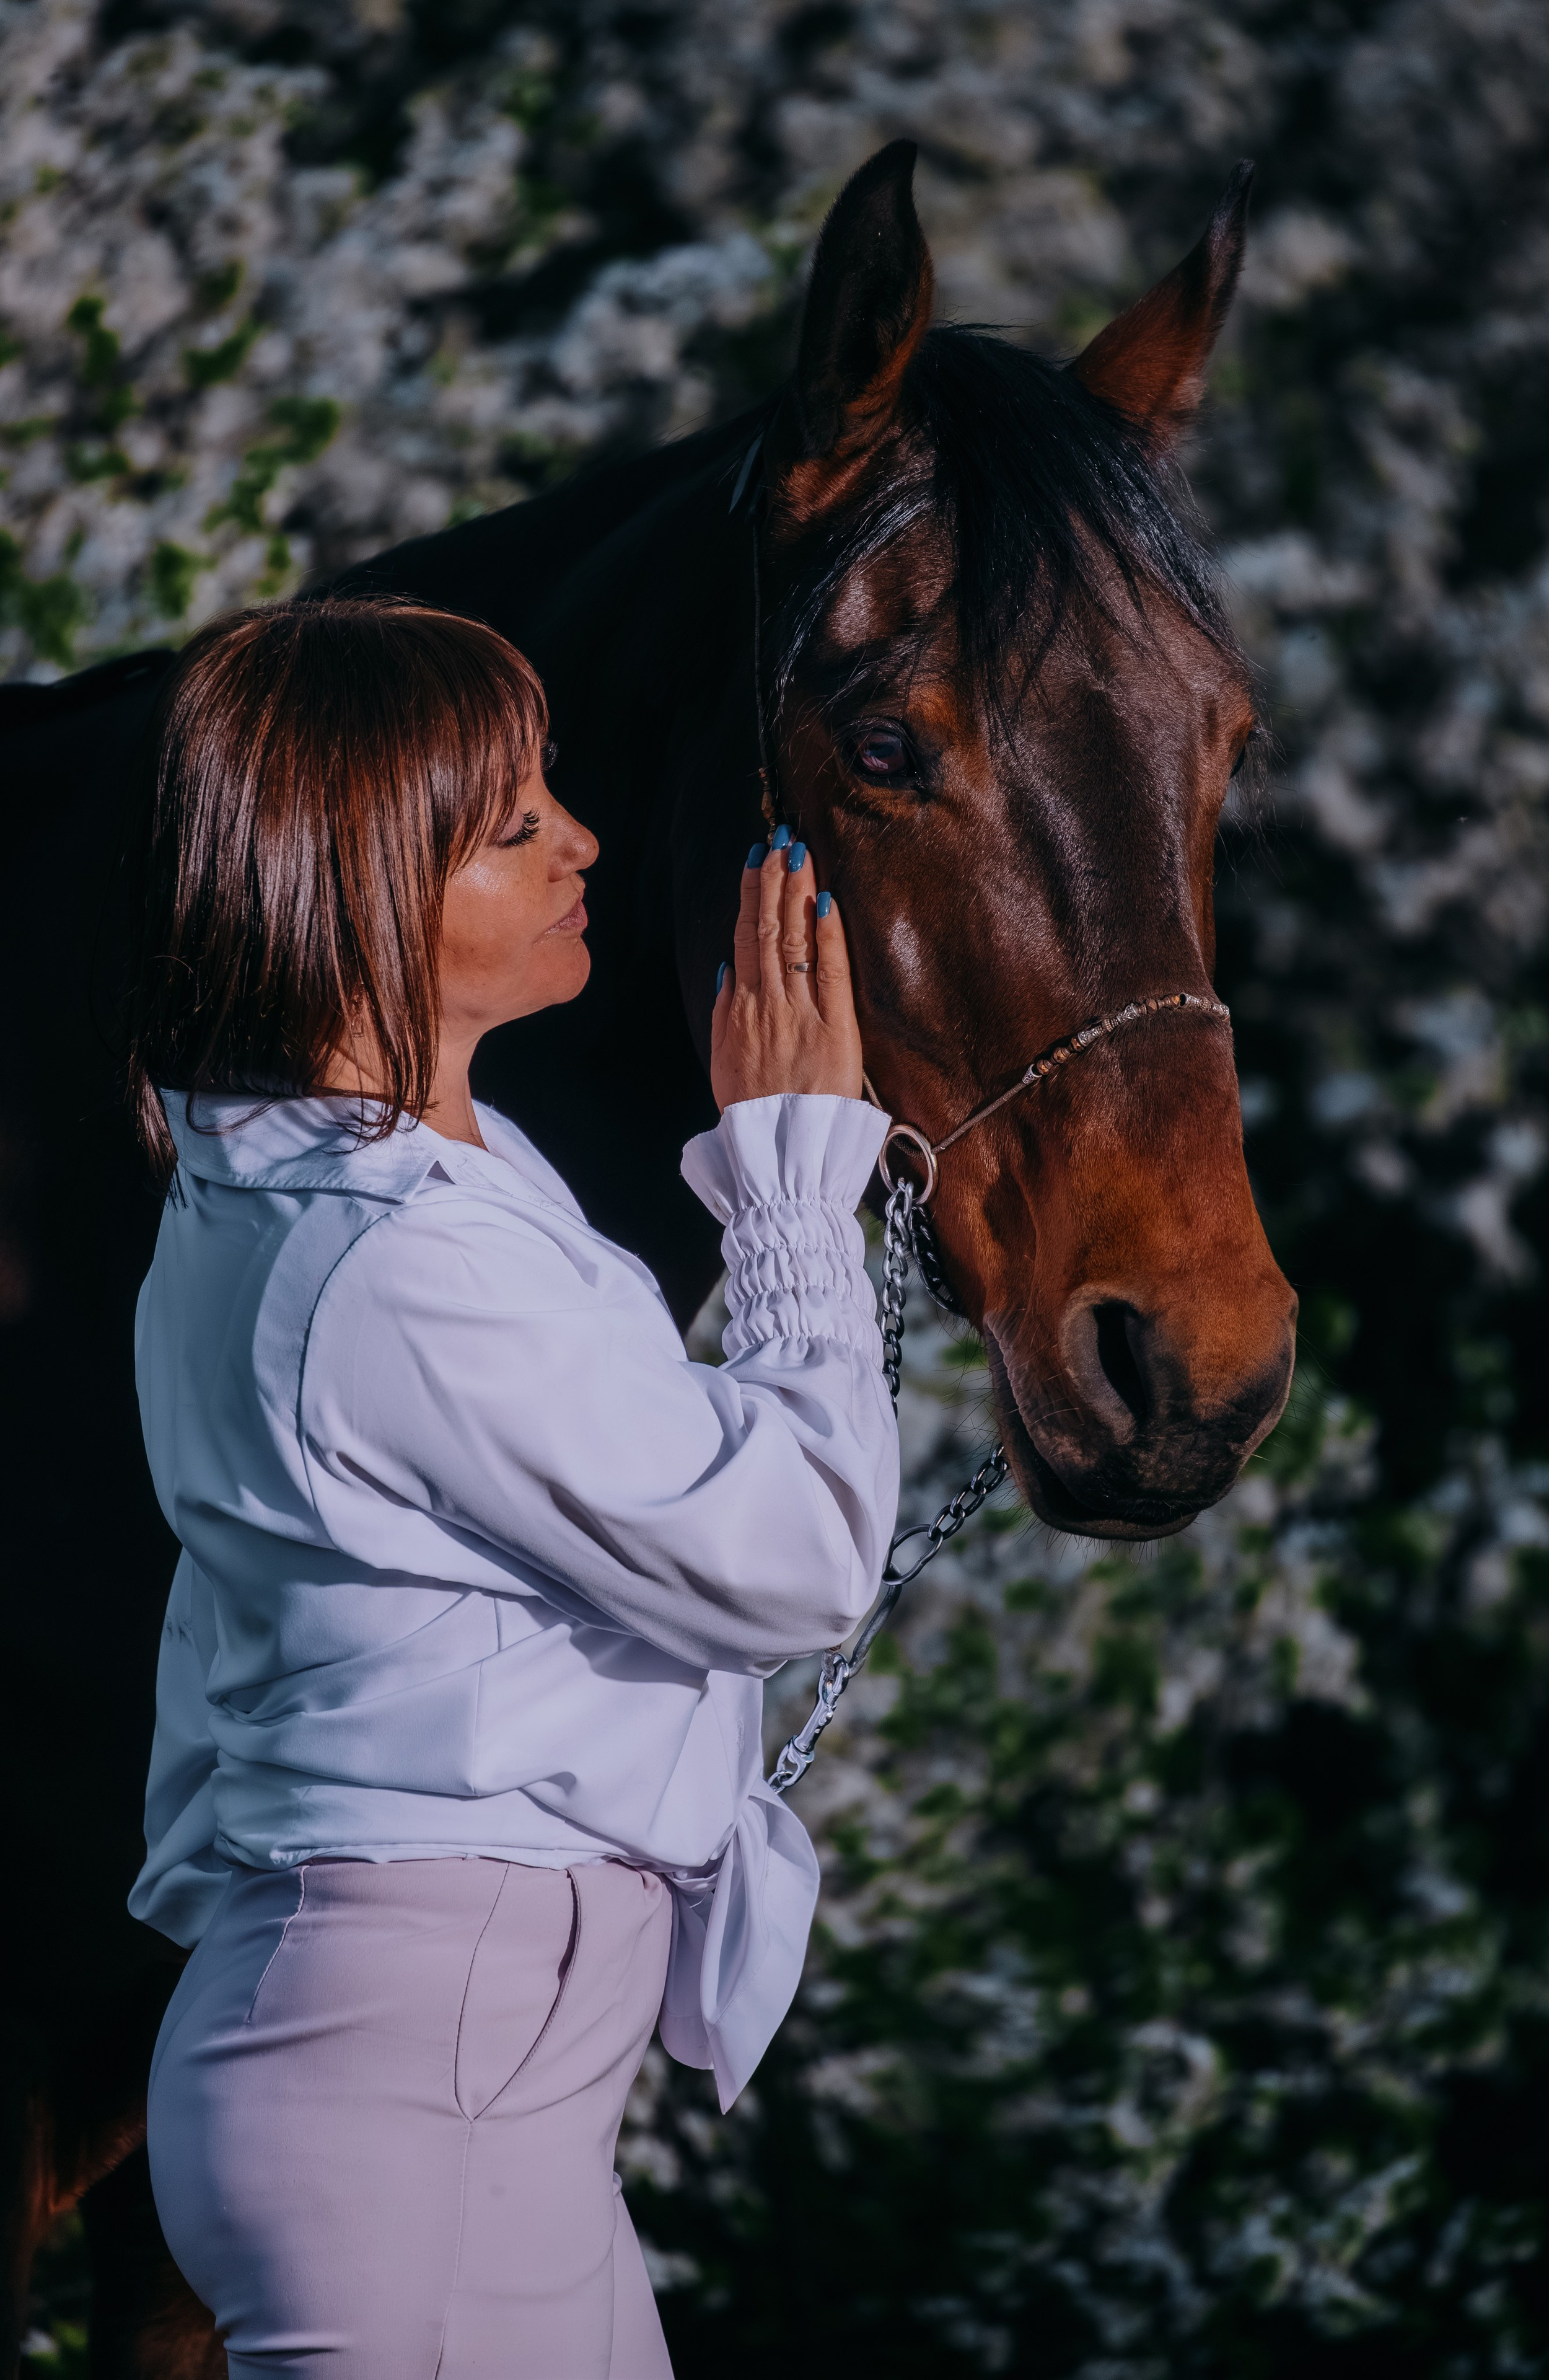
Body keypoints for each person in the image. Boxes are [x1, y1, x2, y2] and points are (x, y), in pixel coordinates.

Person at [124, 596, 899, 2378]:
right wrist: (789, 1189)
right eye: (514, 823)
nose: (586, 843)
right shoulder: (389, 1258)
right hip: (425, 2092)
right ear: (359, 881)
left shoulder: (354, 1181)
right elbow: (792, 1561)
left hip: (441, 2084)